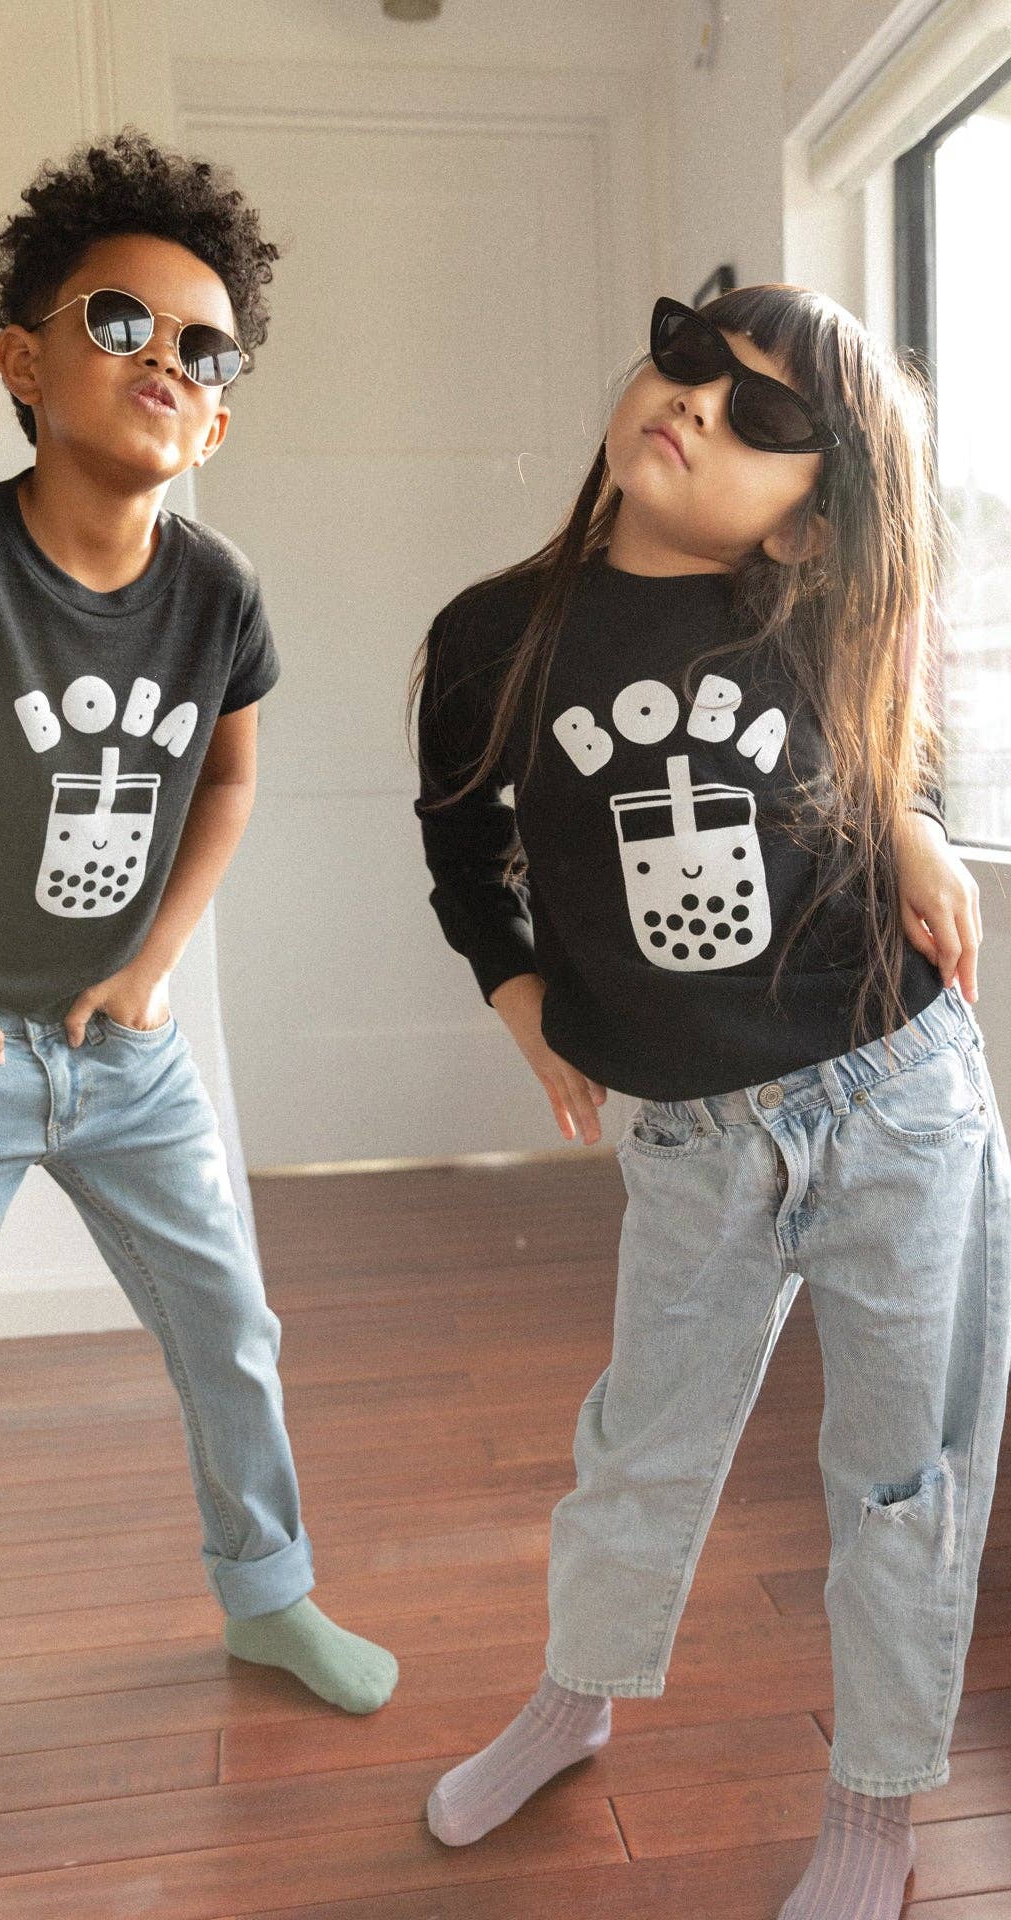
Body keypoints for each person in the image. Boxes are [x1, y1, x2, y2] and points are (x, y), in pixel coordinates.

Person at [413, 286, 1010, 1917]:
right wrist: (522, 1003)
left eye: (767, 415)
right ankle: (577, 1697)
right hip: (689, 1136)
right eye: (692, 356)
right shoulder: (493, 636)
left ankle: (877, 1804)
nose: (700, 402)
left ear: (810, 514)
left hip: (896, 1100)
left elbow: (876, 753)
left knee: (901, 1476)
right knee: (639, 1445)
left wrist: (912, 829)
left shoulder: (809, 618)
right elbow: (463, 847)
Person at [0, 130, 397, 1717]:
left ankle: (270, 1599)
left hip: (125, 1057)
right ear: (25, 360)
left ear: (218, 414)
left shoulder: (219, 591)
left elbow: (229, 781)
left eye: (207, 349)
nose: (168, 362)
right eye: (122, 322)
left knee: (229, 1326)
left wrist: (154, 965)